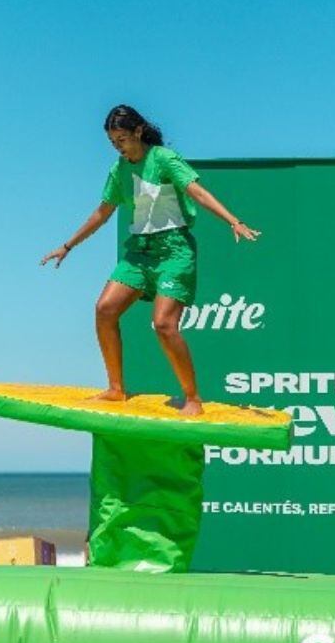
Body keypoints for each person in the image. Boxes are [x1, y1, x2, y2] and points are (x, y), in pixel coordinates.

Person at [41, 105, 260, 416]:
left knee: (164, 324)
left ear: (139, 132)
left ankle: (192, 397)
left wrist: (233, 221)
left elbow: (197, 192)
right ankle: (116, 390)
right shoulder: (119, 170)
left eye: (123, 140)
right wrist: (68, 246)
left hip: (173, 251)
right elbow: (102, 213)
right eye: (113, 142)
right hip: (139, 252)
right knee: (105, 309)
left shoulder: (163, 159)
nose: (119, 147)